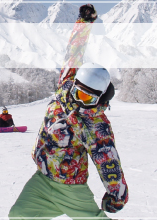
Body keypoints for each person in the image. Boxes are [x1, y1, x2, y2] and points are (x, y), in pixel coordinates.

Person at [8, 62, 127, 219]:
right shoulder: (63, 91)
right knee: (19, 215)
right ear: (74, 85)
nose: (81, 103)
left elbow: (108, 161)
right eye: (79, 94)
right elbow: (72, 55)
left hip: (71, 189)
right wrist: (79, 37)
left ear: (100, 98)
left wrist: (116, 196)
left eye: (89, 99)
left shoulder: (96, 124)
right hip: (43, 179)